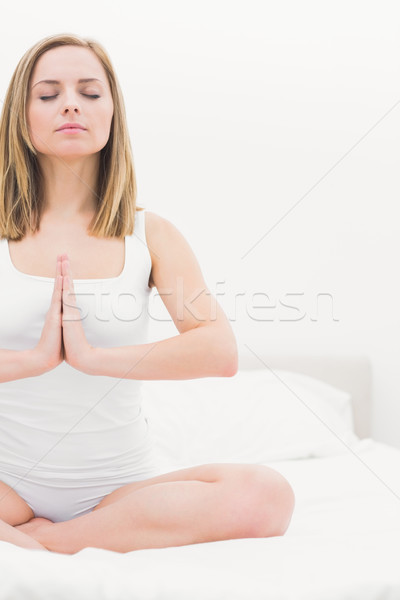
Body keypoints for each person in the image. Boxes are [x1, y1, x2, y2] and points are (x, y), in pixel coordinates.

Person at [0, 33, 295, 554]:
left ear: (113, 113)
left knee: (266, 496)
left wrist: (90, 357)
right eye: (48, 94)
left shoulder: (148, 234)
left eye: (90, 92)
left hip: (119, 491)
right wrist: (35, 359)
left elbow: (218, 350)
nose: (71, 102)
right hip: (8, 489)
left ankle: (52, 542)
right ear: (21, 117)